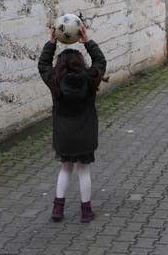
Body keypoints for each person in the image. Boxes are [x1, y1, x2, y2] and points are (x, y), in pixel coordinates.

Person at [38, 23, 107, 223]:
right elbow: (100, 60)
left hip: (64, 136)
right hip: (85, 136)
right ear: (80, 64)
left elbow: (43, 64)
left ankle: (58, 209)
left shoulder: (55, 81)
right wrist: (87, 41)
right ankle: (86, 212)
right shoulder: (91, 79)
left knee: (66, 168)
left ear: (59, 66)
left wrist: (51, 42)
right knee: (83, 170)